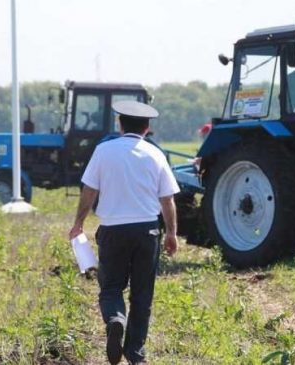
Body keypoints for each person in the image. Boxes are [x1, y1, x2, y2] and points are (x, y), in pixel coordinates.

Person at [69, 100, 180, 365]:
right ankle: (135, 354)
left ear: (120, 124)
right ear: (147, 128)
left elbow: (89, 191)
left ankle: (115, 318)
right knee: (142, 295)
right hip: (147, 232)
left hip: (113, 231)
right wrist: (171, 233)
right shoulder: (155, 155)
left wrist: (78, 223)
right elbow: (167, 199)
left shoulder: (103, 151)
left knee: (111, 288)